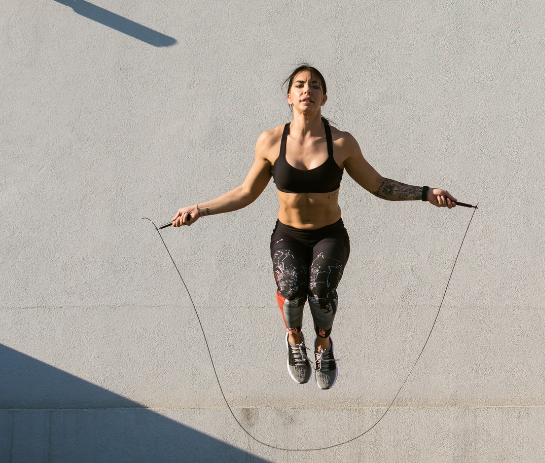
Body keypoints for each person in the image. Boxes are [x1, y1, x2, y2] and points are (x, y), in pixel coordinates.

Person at [169, 64, 459, 390]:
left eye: (315, 86)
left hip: (329, 234)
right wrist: (199, 209)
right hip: (288, 235)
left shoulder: (341, 143)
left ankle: (323, 345)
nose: (308, 90)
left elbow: (377, 185)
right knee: (293, 292)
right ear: (290, 96)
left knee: (320, 293)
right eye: (301, 85)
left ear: (324, 97)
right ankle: (295, 339)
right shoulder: (270, 141)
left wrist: (425, 194)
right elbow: (245, 192)